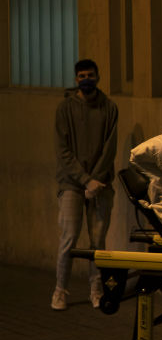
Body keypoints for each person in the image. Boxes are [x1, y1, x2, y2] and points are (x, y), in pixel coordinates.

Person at [53, 59, 119, 311]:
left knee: (98, 242)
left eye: (90, 74)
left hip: (101, 184)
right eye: (81, 76)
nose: (86, 79)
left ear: (98, 76)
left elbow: (109, 147)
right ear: (76, 79)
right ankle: (60, 290)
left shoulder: (110, 108)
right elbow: (63, 150)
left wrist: (97, 180)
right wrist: (84, 180)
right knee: (68, 238)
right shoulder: (64, 109)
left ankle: (96, 290)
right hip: (71, 184)